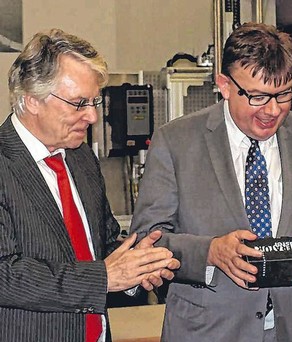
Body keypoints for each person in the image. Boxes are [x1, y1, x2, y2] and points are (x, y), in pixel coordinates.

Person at [129, 22, 292, 342]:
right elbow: (147, 239)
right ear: (224, 85)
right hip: (206, 332)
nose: (272, 110)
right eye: (257, 96)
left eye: (283, 94)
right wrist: (210, 252)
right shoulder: (176, 142)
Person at [1, 28, 180, 342]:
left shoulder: (81, 158)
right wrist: (104, 278)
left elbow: (105, 242)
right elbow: (5, 274)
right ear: (32, 100)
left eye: (95, 102)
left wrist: (138, 267)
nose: (93, 117)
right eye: (78, 103)